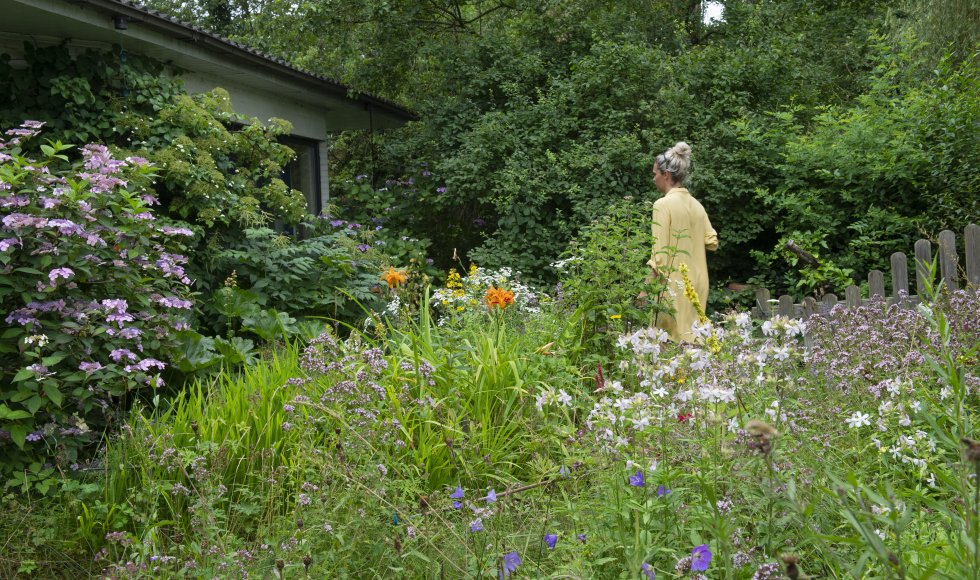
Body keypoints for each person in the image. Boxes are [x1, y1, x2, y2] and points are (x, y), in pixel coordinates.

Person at [645, 141, 718, 342]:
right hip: (698, 284)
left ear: (666, 175)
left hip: (672, 287)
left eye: (655, 174)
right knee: (694, 343)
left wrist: (645, 289)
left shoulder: (662, 205)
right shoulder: (697, 206)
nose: (654, 179)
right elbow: (712, 241)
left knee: (667, 346)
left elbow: (659, 256)